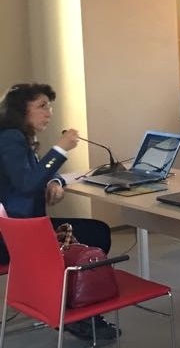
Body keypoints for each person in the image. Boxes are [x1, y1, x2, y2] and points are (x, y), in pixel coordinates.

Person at [0, 83, 120, 341]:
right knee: (97, 234)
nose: (49, 112)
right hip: (14, 237)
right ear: (22, 110)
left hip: (21, 229)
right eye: (42, 106)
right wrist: (61, 148)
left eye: (49, 105)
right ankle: (73, 311)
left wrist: (56, 181)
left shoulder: (16, 137)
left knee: (95, 231)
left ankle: (70, 306)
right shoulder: (10, 137)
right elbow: (28, 182)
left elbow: (35, 171)